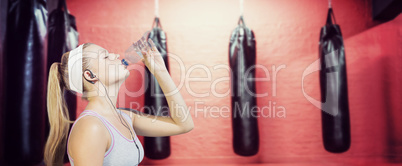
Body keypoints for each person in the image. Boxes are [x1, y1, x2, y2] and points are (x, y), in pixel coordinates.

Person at [44, 42, 194, 166]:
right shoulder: (91, 127)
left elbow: (183, 125)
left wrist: (161, 72)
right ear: (90, 75)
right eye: (106, 56)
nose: (115, 55)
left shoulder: (126, 117)